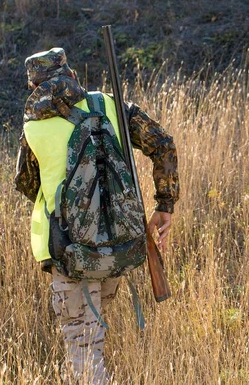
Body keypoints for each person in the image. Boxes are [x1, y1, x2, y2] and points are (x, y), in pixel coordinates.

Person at [14, 47, 179, 384]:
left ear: (34, 89)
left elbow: (27, 184)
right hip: (117, 250)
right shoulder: (109, 104)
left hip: (68, 253)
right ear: (72, 75)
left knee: (84, 350)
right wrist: (165, 204)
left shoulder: (33, 129)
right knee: (88, 348)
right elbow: (163, 143)